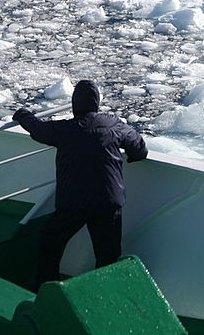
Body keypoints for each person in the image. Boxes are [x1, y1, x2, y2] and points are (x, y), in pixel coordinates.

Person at [12, 80, 147, 289]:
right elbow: (138, 147)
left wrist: (23, 114)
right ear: (96, 102)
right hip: (107, 202)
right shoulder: (113, 124)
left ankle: (46, 290)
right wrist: (133, 156)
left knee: (50, 243)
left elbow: (38, 129)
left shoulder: (65, 129)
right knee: (107, 254)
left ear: (75, 104)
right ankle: (106, 296)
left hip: (73, 203)